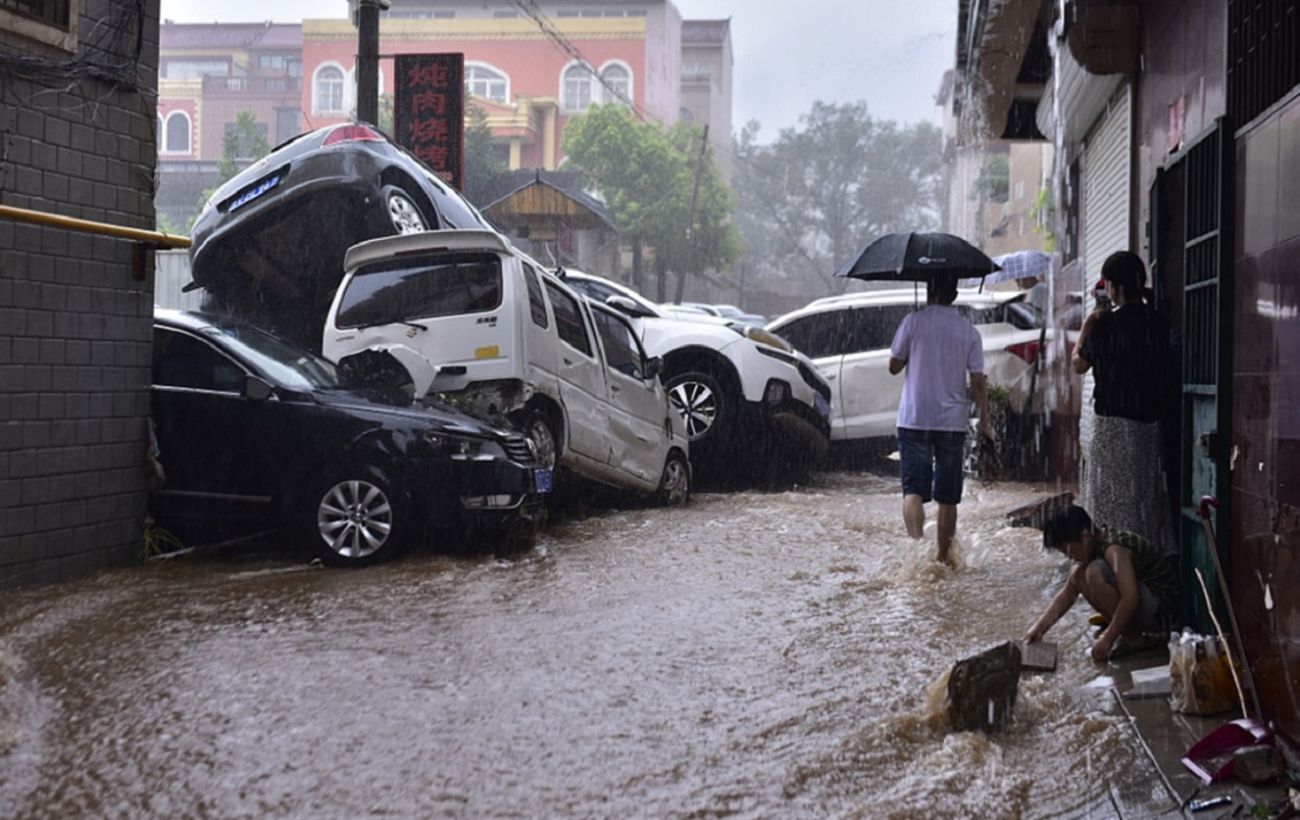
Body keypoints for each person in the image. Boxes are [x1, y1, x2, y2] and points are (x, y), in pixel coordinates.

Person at [888, 273, 994, 566]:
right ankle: (943, 558)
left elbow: (893, 367)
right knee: (948, 495)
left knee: (913, 490)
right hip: (951, 422)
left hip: (914, 418)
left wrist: (915, 346)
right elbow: (978, 384)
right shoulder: (969, 332)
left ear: (926, 291)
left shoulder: (912, 322)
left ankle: (917, 553)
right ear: (954, 296)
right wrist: (986, 422)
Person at [1072, 251, 1174, 551]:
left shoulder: (1104, 325)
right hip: (1148, 428)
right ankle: (1144, 559)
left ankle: (1110, 561)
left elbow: (1078, 364)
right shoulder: (1157, 323)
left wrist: (1088, 324)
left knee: (1107, 502)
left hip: (1110, 428)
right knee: (1142, 499)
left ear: (1113, 287)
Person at [1025, 505, 1178, 661]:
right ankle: (1128, 634)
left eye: (1067, 551)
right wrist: (1038, 629)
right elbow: (1066, 594)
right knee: (1077, 573)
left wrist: (1107, 638)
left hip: (1164, 614)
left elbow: (1131, 597)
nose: (1069, 557)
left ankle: (1135, 639)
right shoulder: (1091, 547)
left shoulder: (1115, 549)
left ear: (1086, 536)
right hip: (1148, 608)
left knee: (1093, 572)